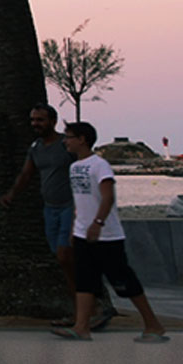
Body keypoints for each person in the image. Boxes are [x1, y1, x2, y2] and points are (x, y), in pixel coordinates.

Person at [0, 104, 117, 329]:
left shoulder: (66, 145)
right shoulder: (36, 147)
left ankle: (92, 308)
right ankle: (85, 310)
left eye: (40, 120)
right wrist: (12, 194)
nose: (35, 124)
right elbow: (27, 173)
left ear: (53, 121)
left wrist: (86, 210)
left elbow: (85, 168)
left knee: (66, 256)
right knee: (64, 260)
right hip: (49, 209)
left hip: (70, 208)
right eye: (33, 120)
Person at [53, 122, 168, 343]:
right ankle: (81, 327)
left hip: (107, 236)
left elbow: (108, 197)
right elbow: (80, 201)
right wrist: (75, 228)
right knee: (84, 280)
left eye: (68, 137)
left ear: (82, 139)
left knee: (123, 281)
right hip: (82, 235)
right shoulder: (74, 167)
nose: (65, 141)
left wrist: (98, 222)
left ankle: (153, 325)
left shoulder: (100, 165)